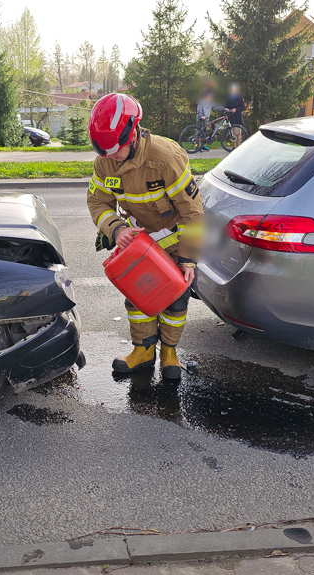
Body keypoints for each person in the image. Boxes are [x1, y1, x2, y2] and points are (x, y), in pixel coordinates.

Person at [86, 93, 204, 380]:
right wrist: (116, 229)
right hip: (140, 245)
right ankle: (143, 351)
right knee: (138, 299)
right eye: (105, 152)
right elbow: (97, 202)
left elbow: (192, 212)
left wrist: (188, 259)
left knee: (175, 301)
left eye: (116, 149)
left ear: (133, 132)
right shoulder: (105, 162)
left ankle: (169, 353)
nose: (111, 157)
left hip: (176, 243)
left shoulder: (166, 159)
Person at [225, 82, 246, 147]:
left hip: (237, 117)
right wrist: (227, 109)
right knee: (232, 132)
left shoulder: (240, 97)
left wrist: (236, 109)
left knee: (238, 133)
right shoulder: (228, 98)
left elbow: (243, 107)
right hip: (231, 117)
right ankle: (234, 146)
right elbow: (225, 106)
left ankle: (238, 145)